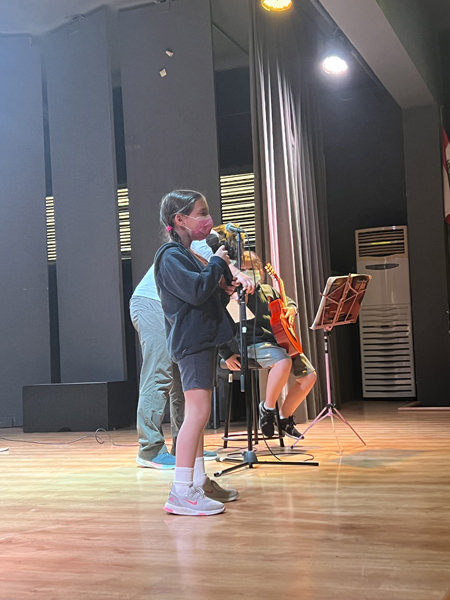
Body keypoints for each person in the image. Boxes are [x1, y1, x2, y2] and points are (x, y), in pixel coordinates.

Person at [130, 239, 255, 470]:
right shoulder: (199, 241)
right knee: (159, 375)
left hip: (173, 308)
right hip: (151, 303)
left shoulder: (209, 256)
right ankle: (150, 449)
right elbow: (217, 267)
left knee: (182, 380)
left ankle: (185, 445)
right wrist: (238, 275)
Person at [155, 189, 240, 516]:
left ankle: (198, 480)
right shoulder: (170, 256)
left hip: (200, 341)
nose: (208, 220)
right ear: (180, 220)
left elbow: (204, 294)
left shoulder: (188, 255)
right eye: (201, 213)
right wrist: (217, 262)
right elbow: (195, 291)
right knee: (198, 413)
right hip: (191, 343)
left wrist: (222, 286)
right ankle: (181, 491)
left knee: (198, 414)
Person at [221, 250, 317, 440]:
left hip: (281, 341)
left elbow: (288, 302)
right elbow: (219, 326)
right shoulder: (234, 295)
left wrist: (292, 309)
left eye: (252, 269)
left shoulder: (268, 290)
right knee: (283, 362)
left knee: (309, 376)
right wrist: (226, 353)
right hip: (253, 343)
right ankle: (267, 408)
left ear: (259, 272)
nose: (248, 273)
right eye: (243, 269)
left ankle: (284, 417)